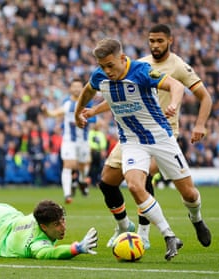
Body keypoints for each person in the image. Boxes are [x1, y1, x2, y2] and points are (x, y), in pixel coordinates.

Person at [75, 38, 209, 261]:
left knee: (189, 193)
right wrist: (78, 111)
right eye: (102, 67)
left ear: (122, 58)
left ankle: (196, 219)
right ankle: (169, 235)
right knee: (135, 186)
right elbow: (88, 91)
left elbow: (176, 86)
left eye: (110, 65)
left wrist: (174, 103)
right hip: (131, 141)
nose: (107, 71)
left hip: (161, 139)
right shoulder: (100, 76)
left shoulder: (142, 71)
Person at [41, 78, 91, 203]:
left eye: (79, 87)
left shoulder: (87, 103)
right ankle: (67, 194)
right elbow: (55, 113)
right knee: (68, 165)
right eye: (74, 87)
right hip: (69, 140)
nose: (76, 89)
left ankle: (81, 181)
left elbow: (94, 118)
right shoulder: (67, 104)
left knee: (84, 166)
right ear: (70, 89)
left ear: (82, 88)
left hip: (83, 140)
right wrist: (47, 111)